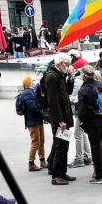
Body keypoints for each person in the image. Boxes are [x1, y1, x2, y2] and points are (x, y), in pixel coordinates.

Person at [76, 66, 102, 185]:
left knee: (95, 148)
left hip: (93, 123)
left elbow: (81, 111)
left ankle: (100, 176)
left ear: (84, 76)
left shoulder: (83, 89)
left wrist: (85, 123)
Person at [42, 53, 76, 186]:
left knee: (64, 145)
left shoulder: (59, 75)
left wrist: (70, 78)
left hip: (64, 117)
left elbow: (67, 92)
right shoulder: (52, 76)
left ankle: (62, 172)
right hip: (59, 119)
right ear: (61, 64)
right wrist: (60, 120)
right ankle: (56, 175)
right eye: (67, 64)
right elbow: (53, 101)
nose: (69, 67)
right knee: (60, 146)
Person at [18, 75, 46, 172]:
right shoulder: (27, 93)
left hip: (36, 120)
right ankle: (31, 162)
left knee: (41, 141)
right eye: (32, 81)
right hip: (33, 121)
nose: (34, 82)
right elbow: (33, 108)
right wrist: (43, 115)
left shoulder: (30, 92)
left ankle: (42, 160)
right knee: (35, 142)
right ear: (28, 83)